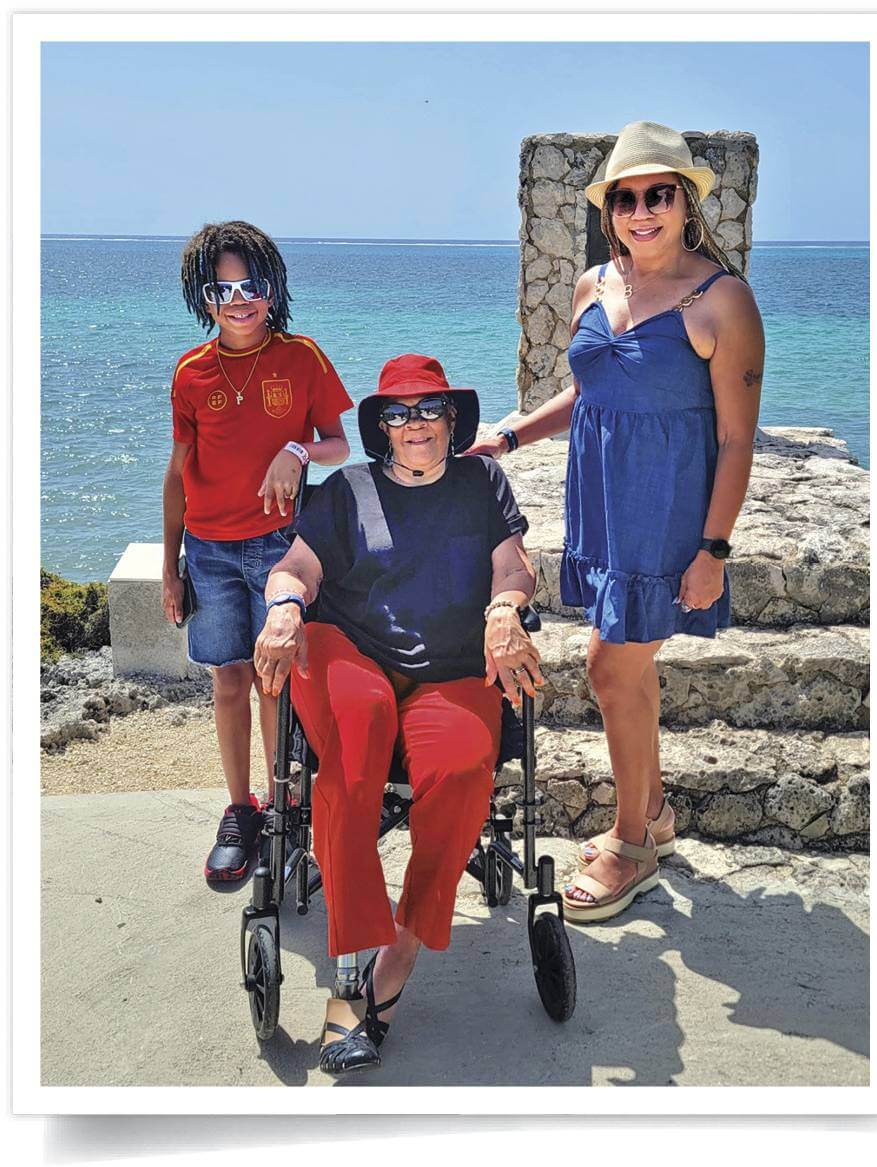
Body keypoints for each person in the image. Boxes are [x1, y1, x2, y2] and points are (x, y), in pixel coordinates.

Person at [468, 121, 765, 923]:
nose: (641, 212)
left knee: (608, 668)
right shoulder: (594, 284)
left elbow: (736, 439)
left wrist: (713, 549)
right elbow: (590, 393)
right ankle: (655, 812)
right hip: (602, 506)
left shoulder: (722, 300)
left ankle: (632, 846)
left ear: (686, 202)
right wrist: (511, 435)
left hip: (668, 515)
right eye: (626, 199)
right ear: (609, 212)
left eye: (658, 195)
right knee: (630, 670)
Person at [252, 353, 542, 1073]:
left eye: (429, 408)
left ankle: (399, 951)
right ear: (380, 425)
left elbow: (513, 566)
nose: (416, 423)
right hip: (353, 651)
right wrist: (284, 606)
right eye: (399, 412)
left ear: (452, 419)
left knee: (464, 767)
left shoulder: (481, 482)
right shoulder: (348, 488)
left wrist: (505, 608)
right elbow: (297, 567)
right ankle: (352, 963)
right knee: (354, 745)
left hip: (452, 669)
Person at [161, 221, 352, 883]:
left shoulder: (302, 357)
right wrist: (170, 566)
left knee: (276, 678)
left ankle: (281, 805)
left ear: (273, 289)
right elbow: (177, 472)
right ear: (204, 297)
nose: (239, 300)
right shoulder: (190, 372)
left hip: (279, 548)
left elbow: (339, 444)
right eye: (223, 289)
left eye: (252, 286)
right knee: (229, 679)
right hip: (208, 551)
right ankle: (240, 809)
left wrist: (297, 449)